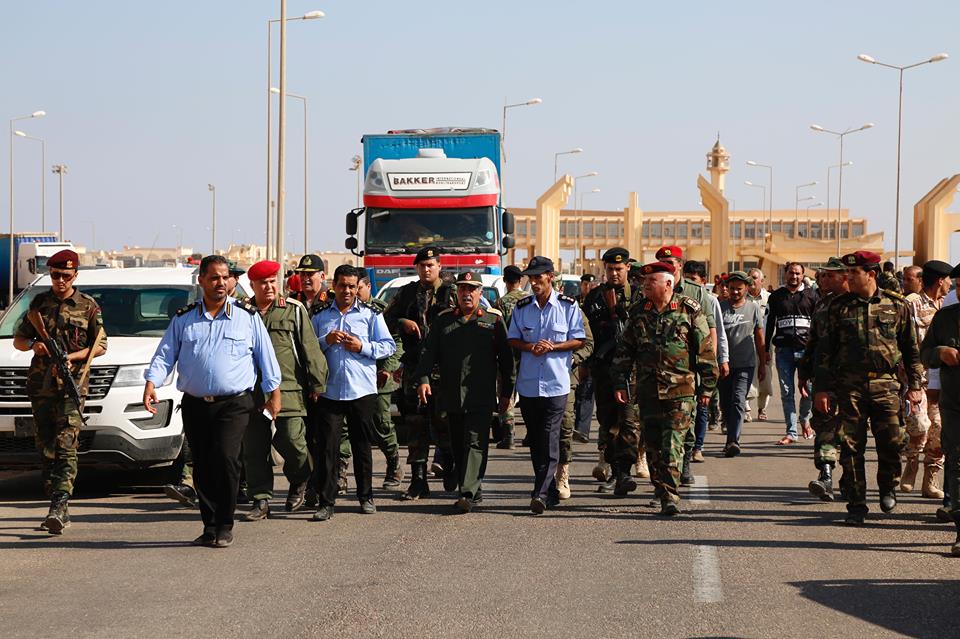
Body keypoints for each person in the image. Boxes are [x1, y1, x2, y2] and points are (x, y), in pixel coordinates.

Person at [144, 255, 282, 548]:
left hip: (234, 403)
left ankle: (225, 524)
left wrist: (274, 395)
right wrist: (151, 383)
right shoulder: (184, 319)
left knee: (226, 458)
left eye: (225, 277)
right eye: (214, 278)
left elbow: (266, 358)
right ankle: (209, 526)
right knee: (204, 464)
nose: (221, 283)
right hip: (196, 403)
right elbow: (165, 354)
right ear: (202, 281)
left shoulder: (247, 317)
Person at [813, 251, 923, 525]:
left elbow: (911, 349)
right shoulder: (838, 307)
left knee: (892, 441)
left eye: (854, 273)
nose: (848, 277)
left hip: (886, 384)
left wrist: (915, 385)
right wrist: (822, 389)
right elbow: (825, 351)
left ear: (871, 274)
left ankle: (888, 486)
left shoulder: (896, 305)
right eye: (847, 272)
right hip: (849, 385)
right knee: (851, 445)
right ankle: (856, 504)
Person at [611, 261, 717, 516]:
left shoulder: (689, 309)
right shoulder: (639, 311)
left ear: (668, 283)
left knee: (672, 444)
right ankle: (661, 490)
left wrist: (707, 388)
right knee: (653, 447)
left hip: (680, 391)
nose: (645, 286)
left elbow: (705, 351)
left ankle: (669, 495)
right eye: (644, 282)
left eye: (651, 281)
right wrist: (620, 382)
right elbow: (625, 350)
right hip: (647, 390)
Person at [13, 249, 107, 534]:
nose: (60, 280)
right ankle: (55, 499)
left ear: (75, 275)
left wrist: (72, 358)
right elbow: (19, 340)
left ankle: (59, 504)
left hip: (72, 385)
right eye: (55, 275)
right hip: (41, 387)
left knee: (67, 444)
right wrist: (35, 346)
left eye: (66, 275)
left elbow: (100, 346)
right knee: (46, 447)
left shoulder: (88, 306)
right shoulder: (38, 305)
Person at [415, 272, 514, 512]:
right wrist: (423, 379)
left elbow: (507, 361)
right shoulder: (444, 320)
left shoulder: (492, 320)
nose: (466, 294)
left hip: (481, 394)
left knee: (476, 442)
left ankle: (467, 493)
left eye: (471, 289)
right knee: (458, 444)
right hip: (451, 394)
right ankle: (472, 489)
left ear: (480, 293)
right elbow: (429, 352)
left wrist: (506, 394)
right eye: (462, 289)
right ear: (456, 293)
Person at [241, 260, 328, 521]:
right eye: (263, 283)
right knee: (254, 448)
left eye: (272, 282)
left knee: (292, 441)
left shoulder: (293, 310)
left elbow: (310, 348)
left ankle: (300, 479)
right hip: (252, 392)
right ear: (253, 285)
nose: (269, 287)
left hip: (289, 389)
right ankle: (261, 499)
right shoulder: (242, 313)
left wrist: (317, 383)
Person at [310, 265, 396, 520]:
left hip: (362, 391)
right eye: (342, 285)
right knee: (328, 449)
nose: (347, 291)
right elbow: (308, 349)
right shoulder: (321, 316)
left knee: (362, 447)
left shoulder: (370, 315)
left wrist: (363, 347)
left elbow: (388, 346)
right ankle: (326, 502)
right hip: (330, 391)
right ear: (333, 286)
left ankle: (365, 496)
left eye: (352, 286)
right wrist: (326, 341)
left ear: (358, 288)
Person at [507, 256, 585, 514]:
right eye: (531, 278)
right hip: (529, 385)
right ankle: (549, 490)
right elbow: (512, 338)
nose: (534, 282)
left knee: (550, 436)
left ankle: (539, 493)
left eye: (538, 277)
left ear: (550, 276)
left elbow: (579, 339)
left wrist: (554, 347)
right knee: (536, 440)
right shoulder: (522, 307)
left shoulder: (568, 306)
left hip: (556, 383)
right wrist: (531, 347)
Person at [383, 246, 457, 499]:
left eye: (431, 265)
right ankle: (418, 481)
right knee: (415, 425)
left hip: (443, 371)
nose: (426, 269)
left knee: (445, 422)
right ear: (416, 267)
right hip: (415, 369)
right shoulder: (406, 293)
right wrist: (401, 321)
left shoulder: (452, 292)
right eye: (422, 265)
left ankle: (450, 465)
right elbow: (384, 320)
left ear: (439, 266)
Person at [656, 247, 722, 485]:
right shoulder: (653, 288)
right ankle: (663, 470)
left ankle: (684, 462)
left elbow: (709, 329)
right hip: (658, 369)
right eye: (662, 262)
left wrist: (710, 364)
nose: (666, 266)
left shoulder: (696, 291)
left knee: (688, 419)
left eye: (670, 262)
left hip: (688, 370)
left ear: (680, 265)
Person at [581, 247, 643, 494]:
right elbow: (585, 333)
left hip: (631, 370)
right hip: (604, 368)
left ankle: (625, 472)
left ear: (628, 267)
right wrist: (585, 364)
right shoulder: (594, 297)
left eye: (619, 269)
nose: (614, 273)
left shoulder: (639, 295)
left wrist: (619, 312)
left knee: (629, 422)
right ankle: (615, 472)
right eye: (610, 269)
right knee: (608, 423)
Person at [798, 257, 849, 501]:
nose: (823, 279)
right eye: (822, 275)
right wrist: (804, 372)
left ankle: (850, 479)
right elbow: (813, 343)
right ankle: (826, 476)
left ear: (844, 277)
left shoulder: (857, 305)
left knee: (850, 432)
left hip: (854, 381)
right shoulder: (822, 305)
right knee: (825, 426)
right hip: (825, 379)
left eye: (829, 275)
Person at [918, 264, 960, 556]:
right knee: (956, 462)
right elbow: (924, 353)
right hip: (954, 402)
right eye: (959, 286)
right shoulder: (945, 318)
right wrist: (939, 353)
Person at [902, 260, 952, 499]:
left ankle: (930, 478)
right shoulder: (911, 304)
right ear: (941, 281)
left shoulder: (947, 305)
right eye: (949, 280)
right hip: (917, 378)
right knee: (919, 425)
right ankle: (911, 463)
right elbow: (902, 339)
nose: (951, 284)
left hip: (941, 379)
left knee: (939, 428)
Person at [356, 275, 405, 489]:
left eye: (358, 287)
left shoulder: (382, 311)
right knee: (347, 427)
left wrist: (387, 368)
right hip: (354, 377)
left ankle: (393, 463)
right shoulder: (342, 309)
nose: (354, 292)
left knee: (381, 422)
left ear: (368, 286)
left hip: (378, 377)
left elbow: (397, 343)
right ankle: (341, 471)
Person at [766, 262, 818, 444]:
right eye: (791, 273)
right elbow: (769, 323)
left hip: (806, 352)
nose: (794, 276)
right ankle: (791, 432)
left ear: (803, 275)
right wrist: (765, 349)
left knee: (809, 390)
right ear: (785, 274)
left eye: (797, 273)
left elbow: (818, 325)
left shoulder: (812, 296)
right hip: (784, 351)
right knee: (787, 392)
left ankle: (804, 417)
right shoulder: (776, 296)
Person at [718, 271, 765, 456]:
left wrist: (762, 363)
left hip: (745, 364)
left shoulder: (753, 308)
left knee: (738, 400)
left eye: (739, 288)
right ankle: (728, 429)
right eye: (732, 288)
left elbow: (759, 338)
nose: (735, 292)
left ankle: (733, 441)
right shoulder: (719, 307)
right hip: (723, 365)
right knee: (725, 403)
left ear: (746, 288)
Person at [493, 264, 529, 449]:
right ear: (520, 280)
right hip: (528, 353)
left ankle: (509, 435)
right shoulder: (530, 300)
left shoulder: (501, 303)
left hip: (508, 353)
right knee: (528, 393)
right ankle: (531, 433)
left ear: (505, 281)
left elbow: (497, 329)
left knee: (506, 392)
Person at [746, 267, 772, 421]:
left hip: (765, 344)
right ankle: (746, 409)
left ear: (762, 281)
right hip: (747, 342)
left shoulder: (770, 299)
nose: (751, 280)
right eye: (749, 277)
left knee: (765, 376)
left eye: (755, 278)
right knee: (747, 374)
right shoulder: (743, 298)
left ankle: (762, 408)